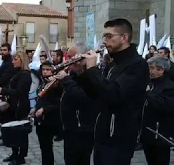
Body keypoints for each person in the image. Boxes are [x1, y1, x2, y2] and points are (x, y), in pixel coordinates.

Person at [76, 18, 149, 165]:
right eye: (104, 36)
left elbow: (114, 94)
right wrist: (81, 73)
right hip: (103, 134)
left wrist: (93, 69)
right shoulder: (113, 64)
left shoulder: (137, 65)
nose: (104, 41)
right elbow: (98, 95)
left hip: (119, 138)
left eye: (109, 36)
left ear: (124, 38)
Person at [55, 44, 98, 165]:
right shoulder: (73, 75)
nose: (68, 61)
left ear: (80, 59)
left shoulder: (90, 76)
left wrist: (66, 80)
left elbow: (83, 99)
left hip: (82, 131)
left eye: (71, 57)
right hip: (69, 129)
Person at [0, 51, 32, 165]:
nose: (13, 61)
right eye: (13, 59)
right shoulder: (17, 73)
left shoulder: (25, 74)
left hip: (21, 106)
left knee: (21, 132)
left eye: (16, 59)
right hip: (14, 105)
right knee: (13, 131)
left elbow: (20, 92)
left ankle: (21, 157)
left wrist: (3, 90)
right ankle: (14, 153)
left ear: (22, 60)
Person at [140, 56, 174, 165]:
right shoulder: (151, 84)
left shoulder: (169, 87)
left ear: (161, 70)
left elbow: (164, 105)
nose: (149, 71)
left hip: (160, 136)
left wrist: (148, 94)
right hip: (148, 134)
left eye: (151, 68)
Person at [32, 60, 62, 165]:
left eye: (48, 69)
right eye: (43, 69)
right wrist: (35, 108)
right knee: (43, 146)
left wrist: (44, 109)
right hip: (40, 120)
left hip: (50, 120)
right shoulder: (42, 82)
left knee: (47, 147)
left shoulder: (56, 85)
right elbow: (40, 99)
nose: (45, 72)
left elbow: (58, 103)